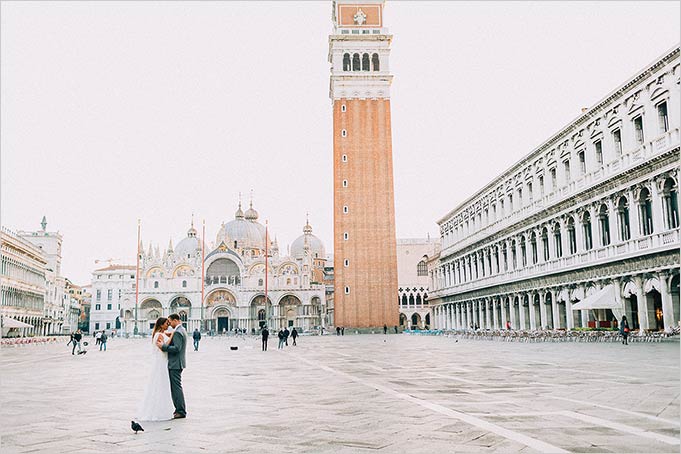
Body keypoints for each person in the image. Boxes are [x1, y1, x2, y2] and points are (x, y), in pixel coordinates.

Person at [137, 317, 175, 421]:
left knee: (161, 384)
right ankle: (158, 411)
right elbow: (163, 347)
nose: (168, 325)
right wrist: (171, 337)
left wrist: (170, 334)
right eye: (166, 323)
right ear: (161, 325)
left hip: (161, 361)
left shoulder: (159, 334)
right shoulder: (159, 335)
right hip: (161, 362)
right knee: (160, 384)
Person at [161, 314, 187, 419]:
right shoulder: (181, 330)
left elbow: (176, 348)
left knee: (176, 388)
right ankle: (179, 409)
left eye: (170, 321)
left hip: (175, 364)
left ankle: (180, 411)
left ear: (175, 320)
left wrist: (163, 347)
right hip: (178, 363)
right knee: (176, 387)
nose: (169, 324)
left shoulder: (177, 332)